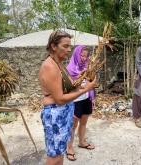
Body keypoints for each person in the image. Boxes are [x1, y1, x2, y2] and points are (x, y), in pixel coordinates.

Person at [39, 31, 96, 165]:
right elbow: (59, 99)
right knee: (54, 157)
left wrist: (82, 82)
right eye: (65, 46)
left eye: (69, 46)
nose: (69, 50)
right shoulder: (49, 66)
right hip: (55, 115)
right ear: (53, 46)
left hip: (63, 113)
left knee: (60, 153)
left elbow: (69, 87)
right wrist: (87, 89)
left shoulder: (59, 63)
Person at [66, 45, 95, 161]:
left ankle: (82, 142)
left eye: (86, 56)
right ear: (76, 55)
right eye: (81, 55)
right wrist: (81, 82)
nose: (83, 58)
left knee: (84, 122)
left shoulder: (88, 67)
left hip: (86, 98)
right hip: (75, 100)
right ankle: (69, 148)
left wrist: (92, 96)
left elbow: (91, 82)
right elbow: (69, 87)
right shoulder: (70, 68)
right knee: (73, 125)